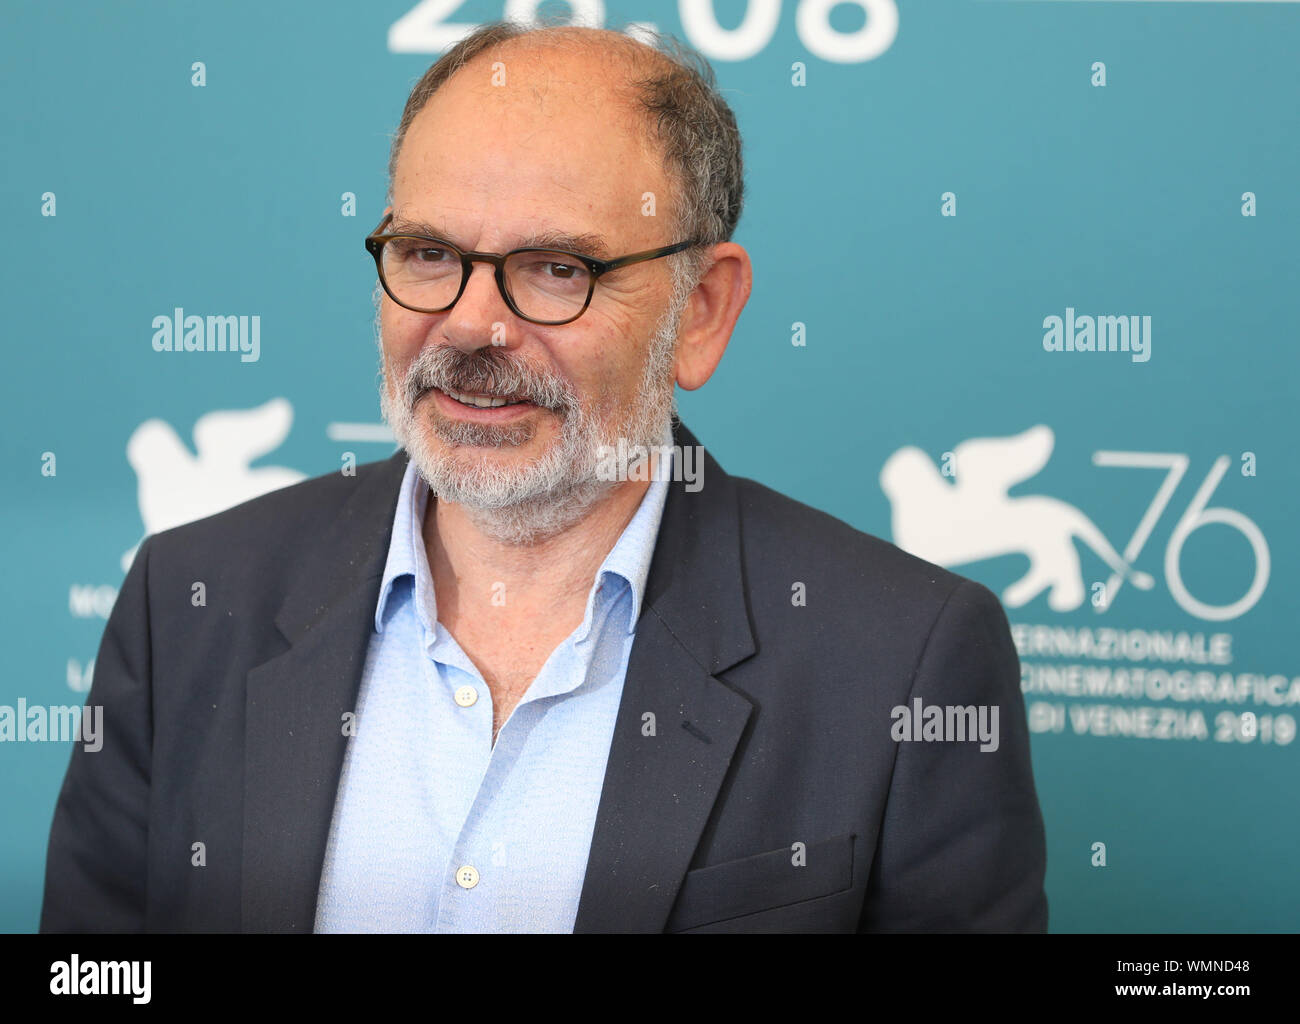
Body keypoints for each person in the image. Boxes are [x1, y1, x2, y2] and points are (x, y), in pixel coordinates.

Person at [41, 21, 1047, 933]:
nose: (475, 325)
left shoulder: (900, 660)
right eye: (430, 252)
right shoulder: (188, 604)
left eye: (558, 269)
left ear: (702, 310)